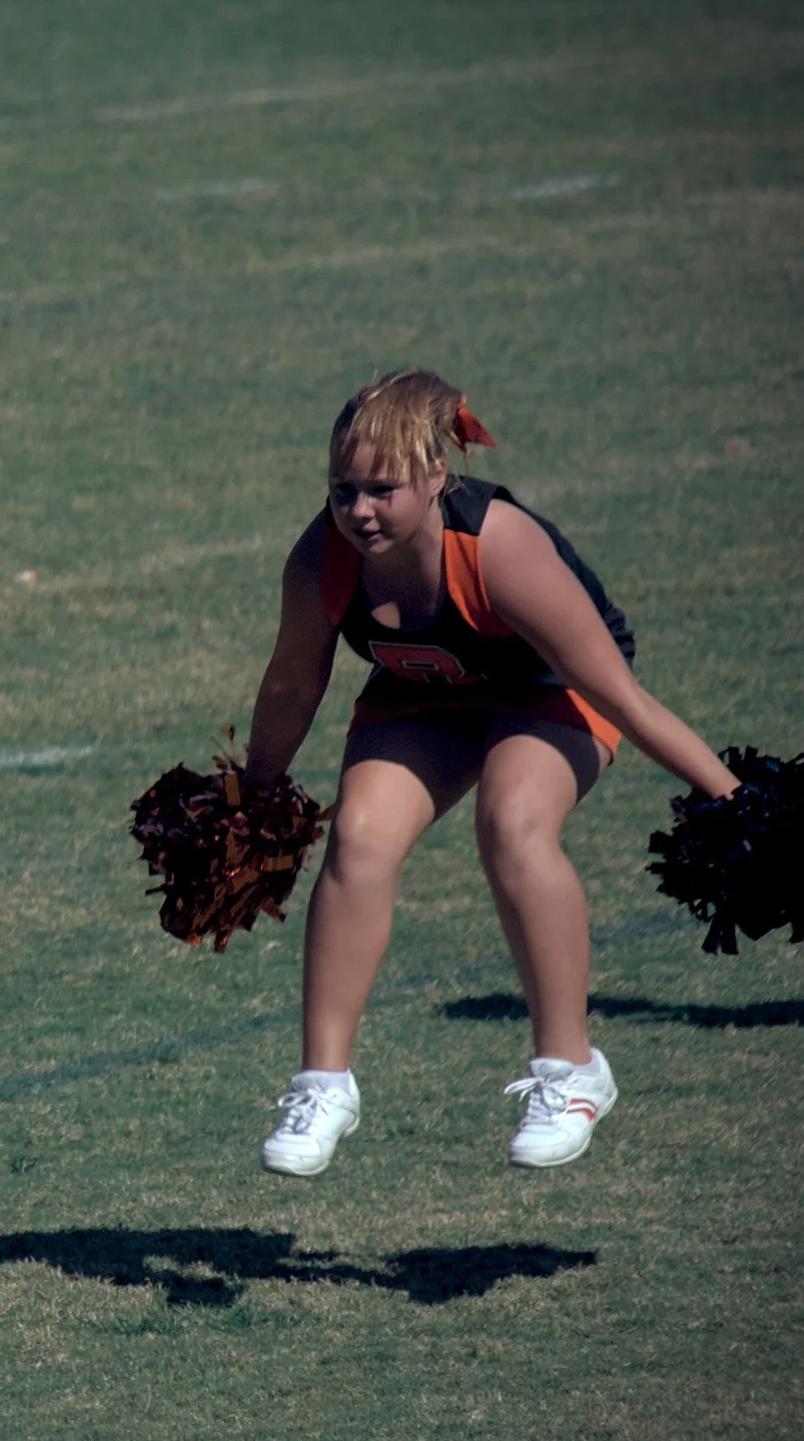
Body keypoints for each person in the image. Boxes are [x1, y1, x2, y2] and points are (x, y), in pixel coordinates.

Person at [238, 369, 739, 1176]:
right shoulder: (322, 558)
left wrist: (737, 802)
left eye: (382, 488)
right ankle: (322, 1083)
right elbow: (295, 682)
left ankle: (572, 1072)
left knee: (513, 823)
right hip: (425, 690)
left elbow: (625, 698)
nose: (359, 509)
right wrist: (251, 797)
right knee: (358, 833)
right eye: (343, 489)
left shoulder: (498, 546)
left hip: (549, 684)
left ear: (437, 476)